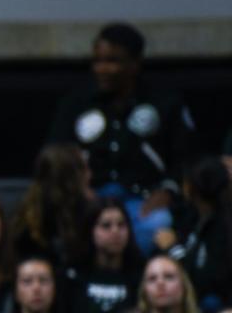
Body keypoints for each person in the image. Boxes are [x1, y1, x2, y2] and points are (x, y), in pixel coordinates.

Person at [48, 22, 194, 254]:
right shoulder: (76, 103)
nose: (101, 69)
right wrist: (78, 190)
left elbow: (185, 159)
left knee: (158, 224)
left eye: (112, 61)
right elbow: (55, 155)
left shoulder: (163, 103)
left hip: (143, 199)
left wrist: (167, 190)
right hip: (90, 199)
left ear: (134, 64)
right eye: (97, 61)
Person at [68, 197, 145, 313]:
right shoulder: (73, 275)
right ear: (91, 230)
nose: (115, 231)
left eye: (121, 225)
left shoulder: (140, 274)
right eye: (106, 226)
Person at [159, 155, 232, 313]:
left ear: (192, 188)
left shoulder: (222, 229)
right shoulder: (192, 217)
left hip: (214, 304)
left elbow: (210, 280)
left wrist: (172, 249)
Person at [9, 143, 93, 270]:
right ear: (69, 177)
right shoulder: (29, 223)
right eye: (83, 169)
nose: (89, 175)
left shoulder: (90, 211)